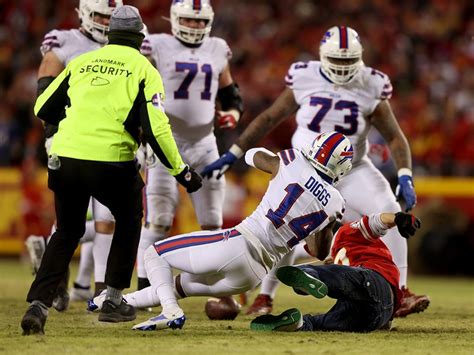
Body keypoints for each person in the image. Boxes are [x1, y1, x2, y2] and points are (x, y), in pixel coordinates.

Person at [202, 25, 429, 317]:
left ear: (359, 58)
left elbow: (395, 136)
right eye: (338, 60)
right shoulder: (305, 76)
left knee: (390, 210)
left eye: (349, 61)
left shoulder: (372, 84)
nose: (344, 67)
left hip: (353, 168)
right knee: (284, 227)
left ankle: (401, 293)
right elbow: (271, 116)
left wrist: (406, 175)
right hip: (305, 168)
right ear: (323, 57)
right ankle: (264, 296)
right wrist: (234, 151)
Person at [20, 5, 202, 335]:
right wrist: (181, 171)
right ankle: (114, 299)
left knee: (67, 231)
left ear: (110, 34)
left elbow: (42, 107)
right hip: (111, 161)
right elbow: (158, 129)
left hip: (65, 158)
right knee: (130, 219)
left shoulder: (81, 63)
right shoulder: (143, 68)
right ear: (139, 36)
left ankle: (38, 305)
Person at [88, 131, 354, 331]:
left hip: (240, 242)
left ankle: (170, 312)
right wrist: (326, 223)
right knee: (178, 286)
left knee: (154, 252)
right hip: (255, 274)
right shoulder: (336, 204)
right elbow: (320, 250)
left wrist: (268, 158)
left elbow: (254, 156)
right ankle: (118, 300)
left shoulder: (292, 160)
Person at [135, 0, 243, 292]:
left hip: (205, 143)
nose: (195, 26)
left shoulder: (218, 48)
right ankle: (145, 287)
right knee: (158, 220)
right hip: (166, 142)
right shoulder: (156, 44)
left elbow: (229, 89)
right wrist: (142, 134)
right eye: (189, 20)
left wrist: (233, 111)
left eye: (199, 21)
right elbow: (137, 90)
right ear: (174, 19)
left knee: (212, 223)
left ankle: (217, 289)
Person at [24, 0, 124, 311]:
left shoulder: (127, 47)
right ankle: (56, 282)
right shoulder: (66, 41)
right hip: (73, 138)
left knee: (107, 217)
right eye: (100, 16)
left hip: (110, 138)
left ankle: (100, 292)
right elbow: (46, 87)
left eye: (112, 17)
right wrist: (52, 131)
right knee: (70, 219)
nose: (106, 23)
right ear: (83, 13)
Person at [250, 211, 422, 332]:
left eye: (310, 235)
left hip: (373, 281)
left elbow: (377, 221)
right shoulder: (336, 255)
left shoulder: (346, 231)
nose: (308, 239)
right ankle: (301, 323)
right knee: (323, 321)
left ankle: (311, 275)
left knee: (328, 274)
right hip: (376, 317)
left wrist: (398, 217)